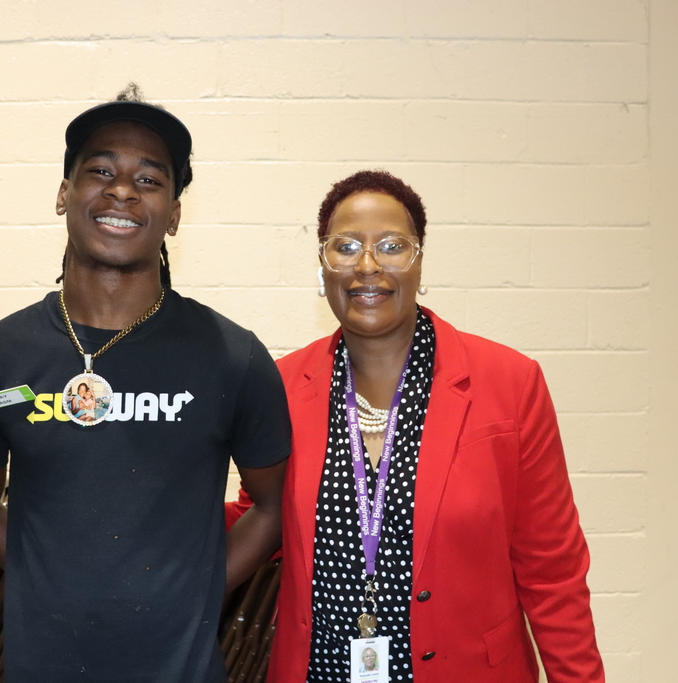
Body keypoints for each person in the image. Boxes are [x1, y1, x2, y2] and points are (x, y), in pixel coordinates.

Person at [0, 85, 291, 682]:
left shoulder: (234, 358)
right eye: (99, 170)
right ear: (63, 194)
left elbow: (273, 507)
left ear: (174, 214)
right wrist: (52, 581)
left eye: (149, 179)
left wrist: (193, 590)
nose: (122, 189)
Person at [229, 170, 603, 681]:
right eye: (344, 246)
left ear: (419, 260)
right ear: (322, 265)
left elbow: (553, 572)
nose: (367, 266)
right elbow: (261, 515)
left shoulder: (510, 384)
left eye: (391, 246)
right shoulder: (284, 385)